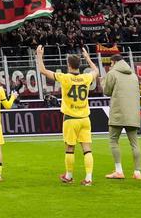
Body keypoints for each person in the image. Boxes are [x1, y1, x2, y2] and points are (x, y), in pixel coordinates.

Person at [36, 46, 98, 186]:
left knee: (70, 148)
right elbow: (96, 71)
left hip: (71, 118)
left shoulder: (65, 78)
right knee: (87, 149)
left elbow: (43, 71)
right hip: (85, 118)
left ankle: (69, 176)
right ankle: (88, 178)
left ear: (69, 65)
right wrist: (88, 58)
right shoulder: (86, 77)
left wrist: (39, 56)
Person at [100, 55, 141, 180]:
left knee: (113, 140)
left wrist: (103, 81)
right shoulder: (133, 75)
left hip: (118, 112)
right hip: (133, 112)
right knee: (134, 143)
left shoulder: (112, 73)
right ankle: (137, 172)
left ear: (113, 62)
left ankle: (119, 170)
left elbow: (107, 92)